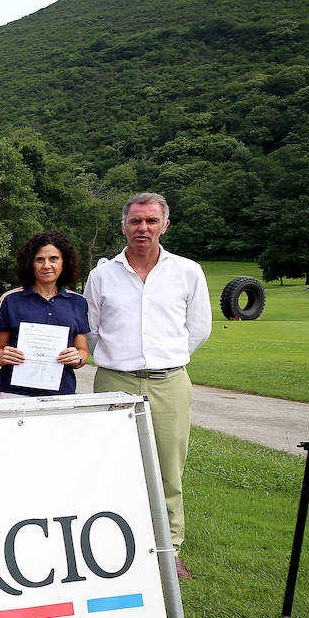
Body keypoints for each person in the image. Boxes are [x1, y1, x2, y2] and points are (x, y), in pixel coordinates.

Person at [86, 193, 210, 579]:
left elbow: (199, 329)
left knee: (169, 467)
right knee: (114, 466)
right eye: (136, 221)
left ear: (164, 225)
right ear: (124, 226)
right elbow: (90, 331)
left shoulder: (187, 271)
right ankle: (116, 544)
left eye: (151, 221)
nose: (143, 228)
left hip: (168, 382)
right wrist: (124, 360)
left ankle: (169, 547)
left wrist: (161, 358)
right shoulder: (102, 275)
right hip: (114, 381)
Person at [0, 231, 90, 398]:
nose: (46, 265)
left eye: (53, 259)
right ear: (30, 263)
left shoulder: (78, 302)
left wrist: (77, 358)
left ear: (64, 262)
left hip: (61, 393)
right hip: (14, 393)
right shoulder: (11, 300)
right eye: (39, 259)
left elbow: (83, 351)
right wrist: (4, 356)